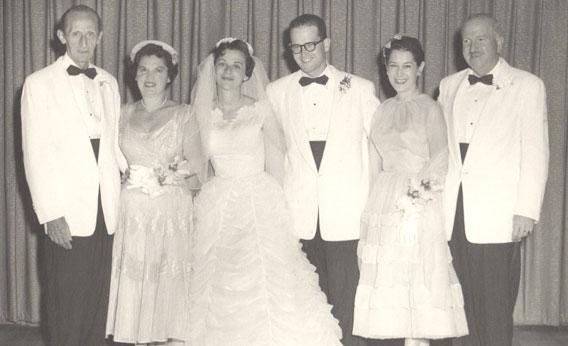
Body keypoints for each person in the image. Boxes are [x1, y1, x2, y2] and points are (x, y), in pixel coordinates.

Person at [188, 37, 342, 345]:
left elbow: (278, 162)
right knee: (217, 282)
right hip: (217, 202)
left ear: (247, 73)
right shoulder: (201, 115)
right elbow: (196, 166)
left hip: (258, 201)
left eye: (236, 66)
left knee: (267, 279)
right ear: (213, 70)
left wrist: (280, 209)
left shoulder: (260, 110)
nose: (228, 71)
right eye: (222, 65)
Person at [266, 14, 379, 345]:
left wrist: (373, 204)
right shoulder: (276, 92)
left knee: (347, 298)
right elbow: (275, 157)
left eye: (311, 44)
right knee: (306, 301)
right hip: (299, 213)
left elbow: (378, 150)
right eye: (296, 46)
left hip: (346, 213)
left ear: (327, 43)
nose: (304, 52)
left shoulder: (360, 88)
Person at [438, 14, 549, 346]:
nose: (472, 47)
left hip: (498, 216)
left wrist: (526, 211)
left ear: (499, 41)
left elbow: (535, 152)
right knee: (460, 304)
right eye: (466, 41)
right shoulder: (448, 85)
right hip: (453, 213)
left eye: (481, 39)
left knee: (495, 306)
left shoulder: (528, 86)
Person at [353, 35, 468, 346]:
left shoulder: (430, 108)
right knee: (390, 279)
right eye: (393, 66)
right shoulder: (382, 109)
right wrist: (372, 210)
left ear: (420, 68)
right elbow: (374, 162)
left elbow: (441, 160)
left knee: (420, 279)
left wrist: (414, 204)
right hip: (384, 198)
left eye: (407, 66)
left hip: (418, 202)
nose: (399, 74)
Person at [20, 5, 126, 346]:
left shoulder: (108, 81)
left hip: (106, 212)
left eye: (90, 33)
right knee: (65, 306)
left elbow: (112, 145)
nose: (84, 40)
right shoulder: (38, 84)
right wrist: (51, 214)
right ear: (62, 36)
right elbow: (34, 154)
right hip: (67, 211)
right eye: (76, 33)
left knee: (98, 306)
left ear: (100, 37)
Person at [104, 41, 203, 345]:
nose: (150, 77)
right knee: (136, 277)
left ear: (170, 76)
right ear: (134, 75)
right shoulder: (120, 114)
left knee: (166, 277)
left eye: (158, 70)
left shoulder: (184, 115)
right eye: (143, 69)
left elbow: (198, 171)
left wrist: (173, 177)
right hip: (131, 209)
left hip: (170, 210)